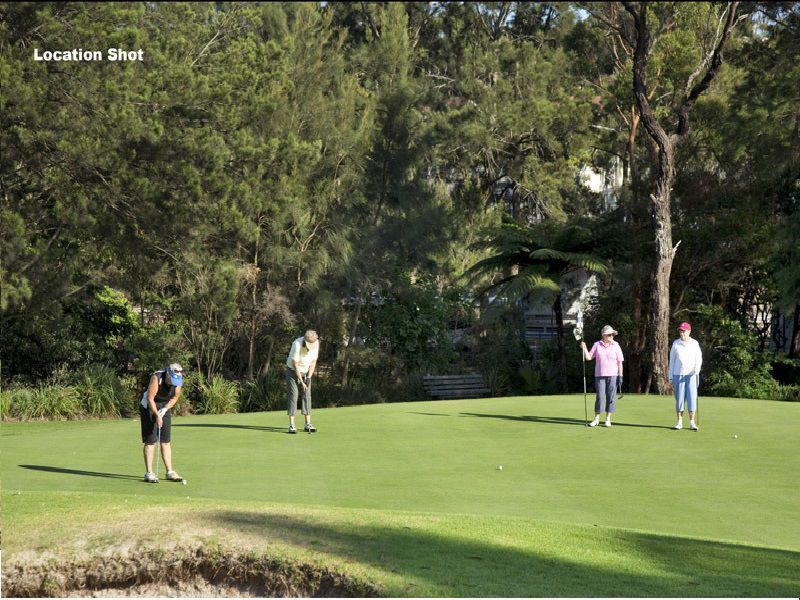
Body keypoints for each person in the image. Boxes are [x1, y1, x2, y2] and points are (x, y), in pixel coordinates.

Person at [140, 363, 184, 483]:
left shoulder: (178, 383)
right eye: (172, 379)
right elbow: (150, 398)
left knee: (165, 440)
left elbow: (174, 398)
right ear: (168, 374)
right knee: (150, 440)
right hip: (149, 406)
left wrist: (164, 410)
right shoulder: (157, 378)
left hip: (164, 406)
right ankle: (149, 473)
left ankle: (170, 472)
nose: (174, 383)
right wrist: (157, 415)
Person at [581, 325, 625, 427]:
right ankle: (596, 419)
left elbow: (620, 362)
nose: (611, 336)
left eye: (612, 334)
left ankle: (607, 419)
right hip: (600, 375)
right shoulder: (597, 344)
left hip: (613, 375)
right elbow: (589, 357)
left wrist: (620, 376)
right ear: (603, 335)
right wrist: (584, 348)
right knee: (600, 397)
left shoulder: (616, 345)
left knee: (611, 398)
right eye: (609, 334)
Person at [669, 322, 703, 430]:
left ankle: (692, 422)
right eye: (680, 331)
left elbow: (699, 358)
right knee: (679, 399)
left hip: (692, 375)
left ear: (689, 331)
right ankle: (679, 422)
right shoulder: (676, 343)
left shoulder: (694, 343)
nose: (681, 333)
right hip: (678, 374)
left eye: (683, 331)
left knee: (691, 398)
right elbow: (672, 361)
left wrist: (696, 370)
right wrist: (670, 375)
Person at [286, 330, 319, 434]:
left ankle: (307, 423)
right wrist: (301, 381)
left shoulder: (316, 343)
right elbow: (295, 365)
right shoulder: (297, 344)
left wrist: (308, 378)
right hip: (292, 371)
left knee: (307, 395)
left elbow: (313, 362)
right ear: (305, 341)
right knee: (294, 395)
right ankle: (292, 425)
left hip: (306, 372)